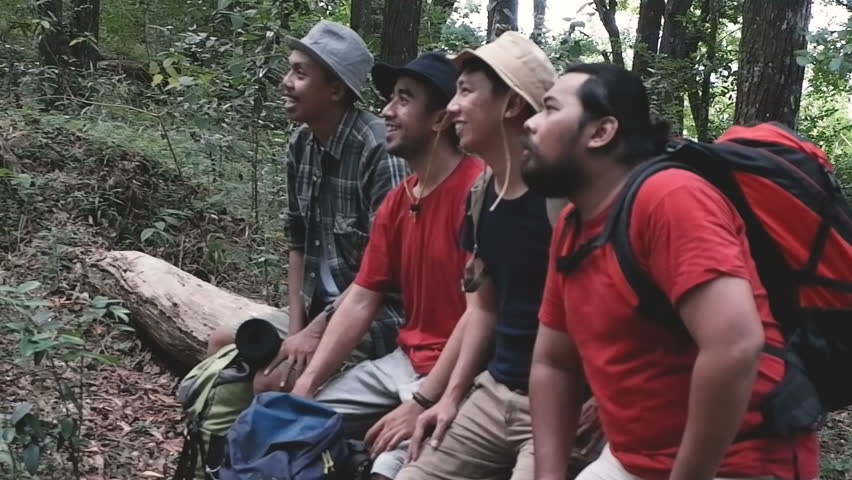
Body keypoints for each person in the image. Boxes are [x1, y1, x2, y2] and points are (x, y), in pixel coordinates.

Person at [521, 62, 819, 480]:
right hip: (632, 459)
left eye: (550, 109)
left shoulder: (670, 198)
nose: (531, 124)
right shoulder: (573, 225)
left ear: (601, 132)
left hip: (735, 462)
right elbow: (555, 364)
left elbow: (735, 346)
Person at [397, 32, 599, 480]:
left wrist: (604, 400)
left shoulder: (565, 201)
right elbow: (483, 309)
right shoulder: (481, 194)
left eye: (466, 92)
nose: (451, 108)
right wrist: (447, 397)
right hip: (493, 395)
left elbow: (615, 307)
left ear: (511, 106)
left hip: (561, 404)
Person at [284, 52, 485, 480]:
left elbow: (481, 316)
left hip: (457, 373)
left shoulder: (477, 194)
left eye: (404, 100)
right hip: (403, 358)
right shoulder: (401, 198)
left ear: (439, 120)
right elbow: (363, 294)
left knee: (393, 464)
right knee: (300, 424)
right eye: (391, 98)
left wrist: (426, 401)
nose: (387, 111)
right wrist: (308, 383)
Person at [206, 21, 407, 377]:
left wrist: (315, 333)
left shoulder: (378, 150)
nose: (285, 81)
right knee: (222, 341)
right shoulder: (302, 143)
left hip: (373, 319)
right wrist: (297, 329)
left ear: (334, 90)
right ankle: (226, 432)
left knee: (274, 380)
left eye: (300, 73)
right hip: (316, 311)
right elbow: (298, 241)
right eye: (289, 69)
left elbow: (386, 271)